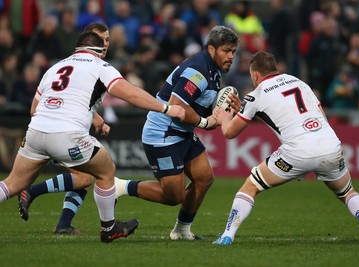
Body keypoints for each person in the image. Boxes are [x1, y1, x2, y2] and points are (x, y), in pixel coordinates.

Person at [1, 31, 185, 243]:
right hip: (67, 134)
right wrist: (165, 108)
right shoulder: (100, 66)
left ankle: (64, 221)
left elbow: (34, 108)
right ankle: (109, 228)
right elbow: (130, 93)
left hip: (35, 131)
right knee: (106, 170)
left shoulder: (54, 68)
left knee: (12, 183)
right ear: (101, 50)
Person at [212, 51, 359, 246]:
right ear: (276, 69)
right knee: (347, 192)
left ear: (255, 75)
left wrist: (224, 118)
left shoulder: (257, 94)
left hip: (296, 152)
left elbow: (229, 132)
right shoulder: (299, 82)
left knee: (251, 185)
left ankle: (228, 235)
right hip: (329, 144)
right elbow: (318, 115)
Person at [114, 25, 241, 240]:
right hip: (163, 133)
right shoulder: (199, 72)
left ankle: (181, 231)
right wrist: (204, 122)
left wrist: (229, 110)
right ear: (211, 49)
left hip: (181, 131)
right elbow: (176, 107)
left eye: (233, 52)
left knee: (204, 178)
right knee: (174, 196)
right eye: (226, 51)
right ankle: (121, 186)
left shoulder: (213, 70)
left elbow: (201, 104)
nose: (230, 56)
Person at [18, 22, 114, 235]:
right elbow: (39, 106)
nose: (104, 44)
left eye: (107, 39)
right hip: (59, 133)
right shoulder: (90, 66)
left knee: (83, 179)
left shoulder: (69, 65)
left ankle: (63, 225)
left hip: (51, 131)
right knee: (86, 177)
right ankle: (32, 191)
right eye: (100, 39)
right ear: (88, 41)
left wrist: (95, 118)